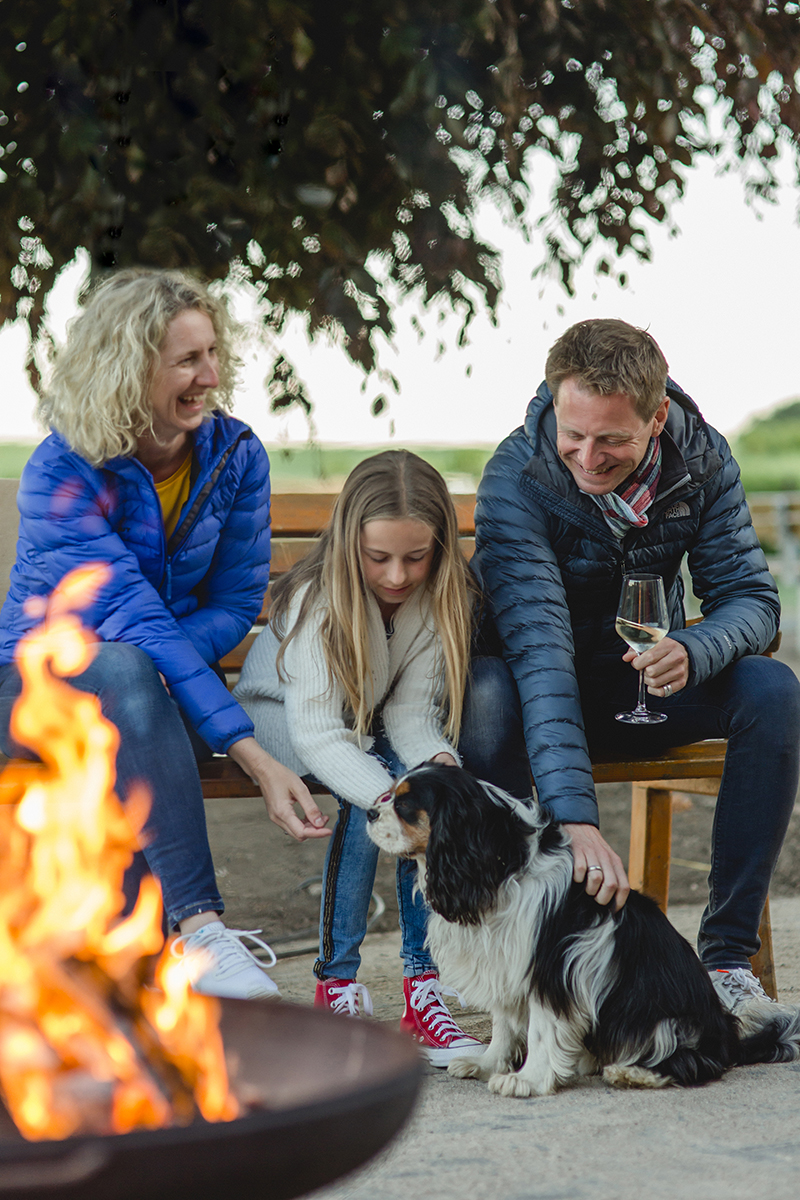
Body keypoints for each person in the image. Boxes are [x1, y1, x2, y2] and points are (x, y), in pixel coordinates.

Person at [0, 267, 331, 1002]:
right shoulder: (64, 469)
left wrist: (163, 663)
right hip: (33, 690)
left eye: (212, 354)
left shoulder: (234, 456)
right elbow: (133, 625)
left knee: (135, 684)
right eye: (188, 360)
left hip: (144, 693)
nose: (211, 376)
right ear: (129, 363)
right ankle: (201, 928)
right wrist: (252, 753)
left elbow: (238, 597)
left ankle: (136, 976)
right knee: (124, 671)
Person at [474, 317, 800, 1013]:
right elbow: (540, 657)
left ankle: (727, 963)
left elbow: (750, 599)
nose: (588, 458)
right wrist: (575, 819)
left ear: (656, 419)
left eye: (612, 439)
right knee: (488, 689)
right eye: (574, 435)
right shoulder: (516, 479)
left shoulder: (703, 458)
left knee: (773, 689)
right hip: (530, 700)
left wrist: (695, 646)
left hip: (642, 682)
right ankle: (528, 965)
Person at [234, 450, 517, 1064]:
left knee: (420, 800)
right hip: (283, 725)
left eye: (416, 557)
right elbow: (318, 734)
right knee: (379, 799)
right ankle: (337, 983)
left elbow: (411, 715)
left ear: (438, 548)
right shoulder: (320, 601)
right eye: (378, 556)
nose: (396, 575)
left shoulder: (438, 599)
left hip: (366, 725)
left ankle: (424, 989)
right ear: (347, 544)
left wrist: (442, 768)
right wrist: (390, 795)